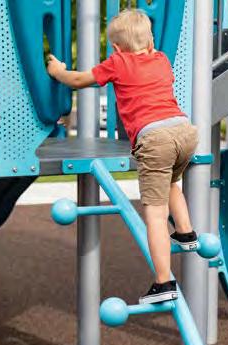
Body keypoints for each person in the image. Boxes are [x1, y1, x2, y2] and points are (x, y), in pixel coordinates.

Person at [47, 9, 199, 304]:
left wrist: (57, 72)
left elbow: (78, 80)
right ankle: (186, 232)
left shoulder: (119, 62)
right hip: (184, 131)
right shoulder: (161, 59)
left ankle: (164, 282)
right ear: (151, 42)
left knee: (155, 215)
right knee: (171, 184)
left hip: (154, 138)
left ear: (116, 48)